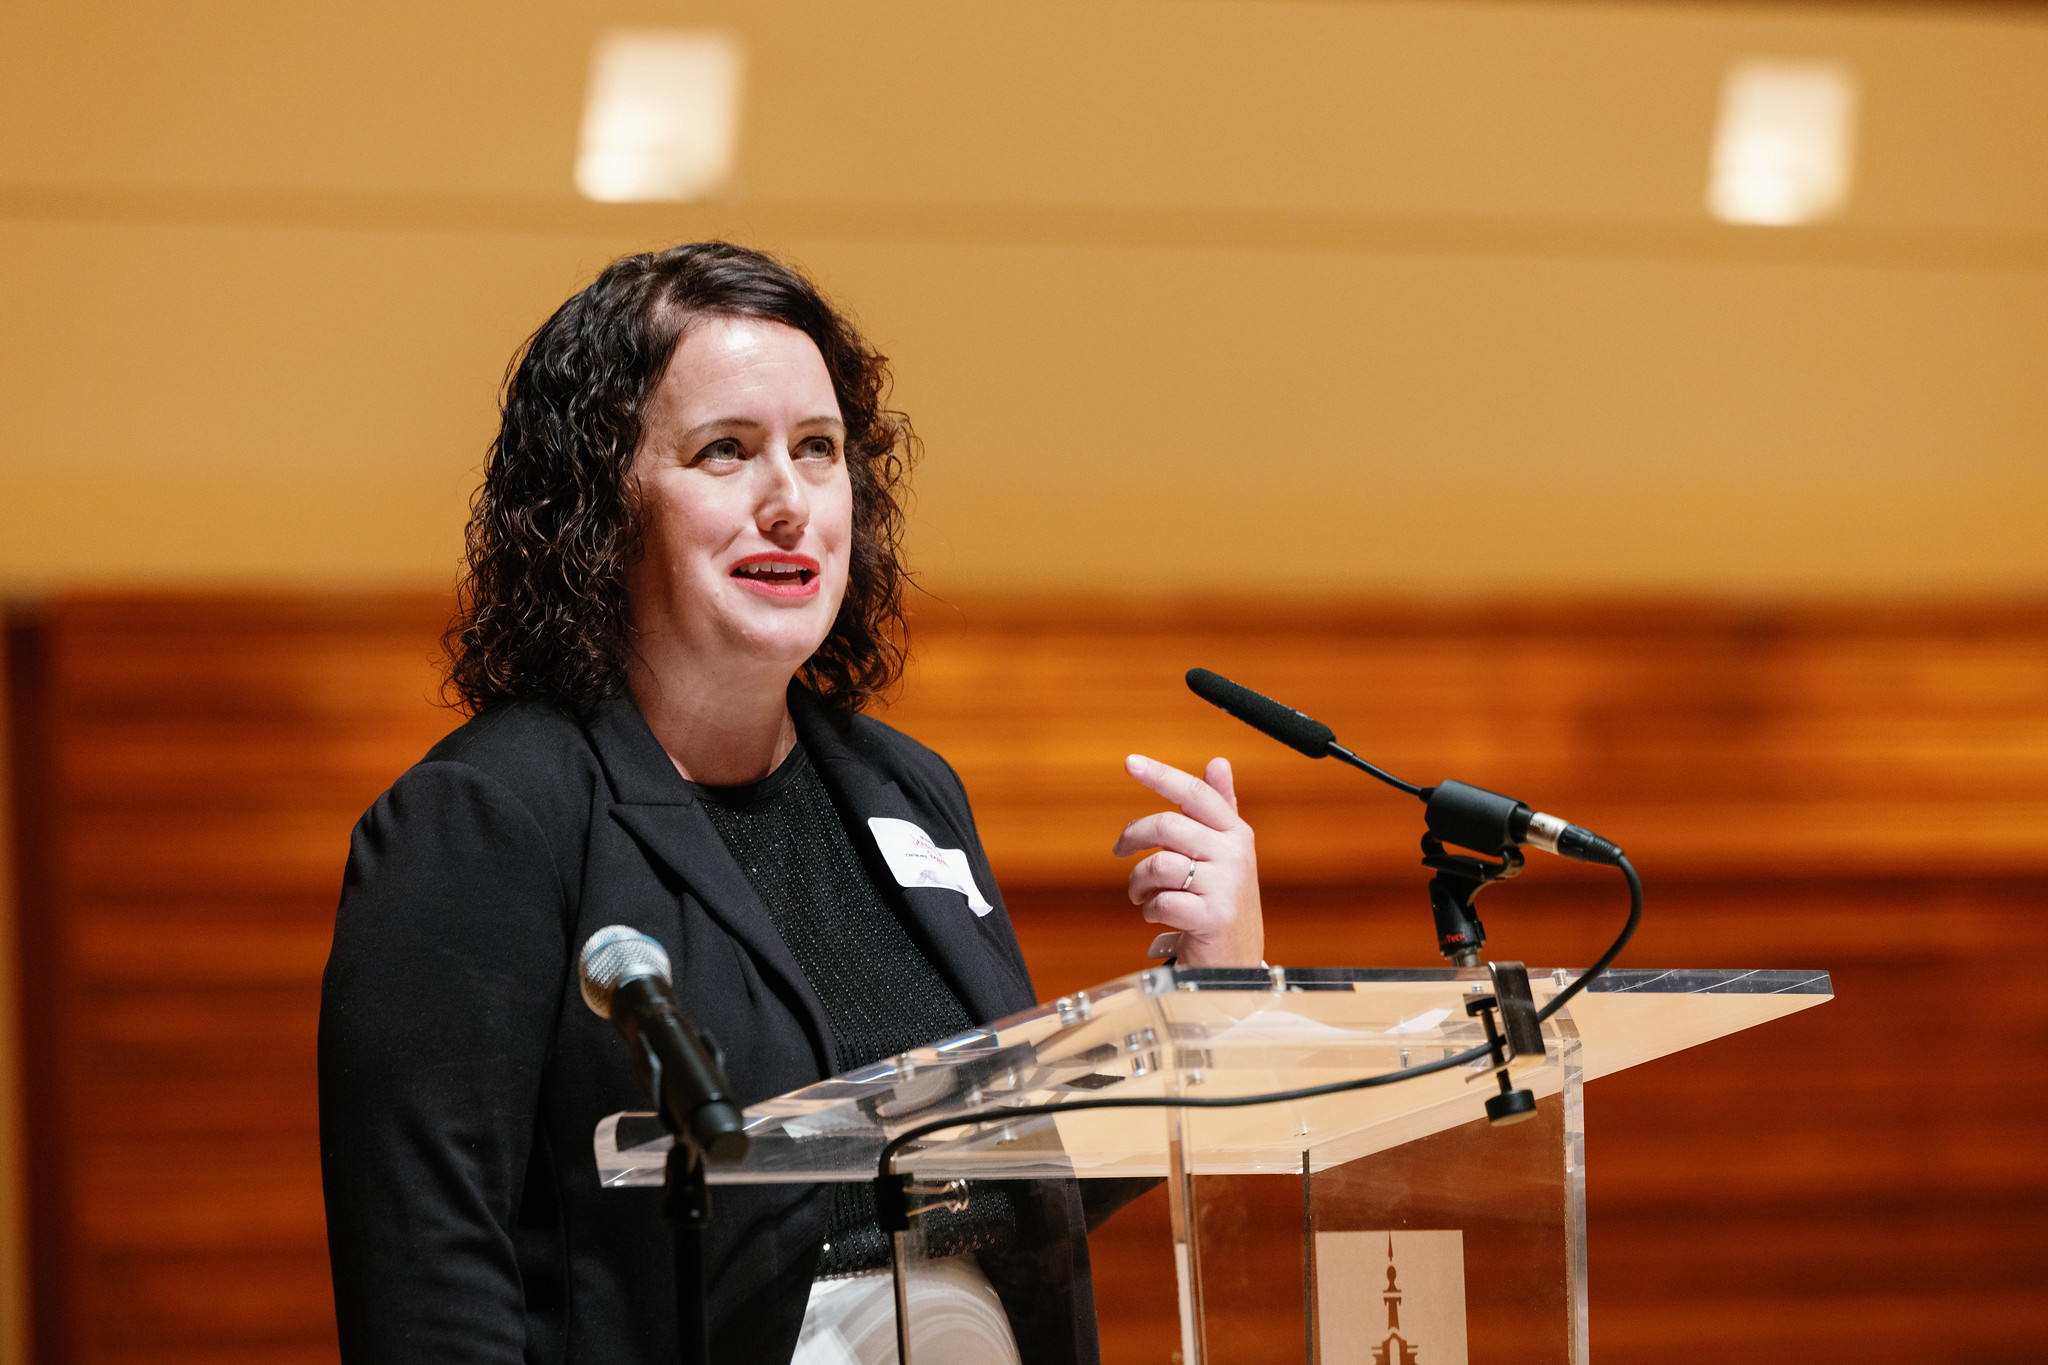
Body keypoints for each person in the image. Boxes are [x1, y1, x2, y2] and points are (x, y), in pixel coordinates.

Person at [318, 241, 1264, 1365]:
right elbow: (428, 1281)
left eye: (817, 451)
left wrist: (1207, 993)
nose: (789, 501)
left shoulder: (906, 792)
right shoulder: (486, 821)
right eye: (726, 451)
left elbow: (998, 1181)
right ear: (600, 501)